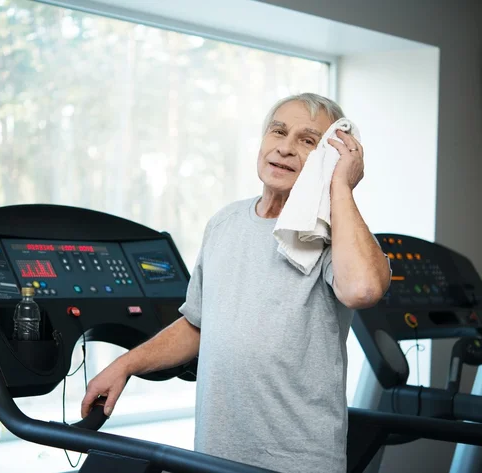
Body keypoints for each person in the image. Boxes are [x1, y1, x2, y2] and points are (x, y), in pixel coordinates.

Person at [81, 93, 391, 473]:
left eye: (308, 141)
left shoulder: (333, 234)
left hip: (298, 463)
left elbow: (363, 289)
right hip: (215, 455)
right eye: (278, 131)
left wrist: (340, 187)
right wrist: (124, 365)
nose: (285, 148)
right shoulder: (224, 223)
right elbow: (197, 325)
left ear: (328, 158)